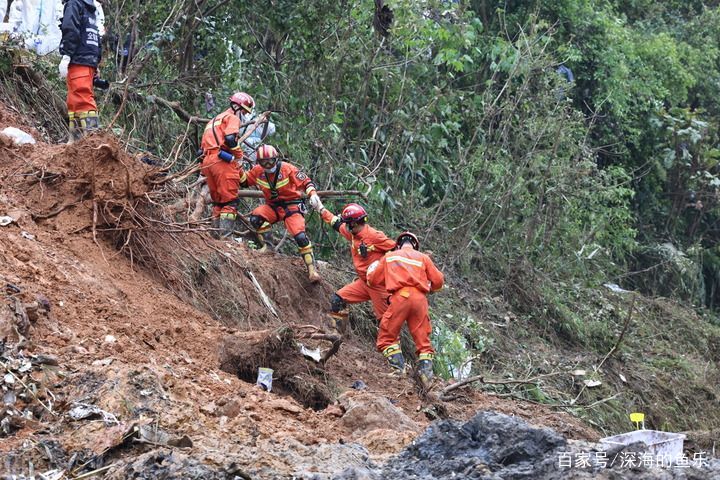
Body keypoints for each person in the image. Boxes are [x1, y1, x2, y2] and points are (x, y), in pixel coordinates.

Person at [367, 231, 444, 387]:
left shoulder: (390, 257)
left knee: (387, 336)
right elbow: (439, 282)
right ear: (415, 245)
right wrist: (430, 288)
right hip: (420, 300)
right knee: (423, 340)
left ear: (399, 244)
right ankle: (425, 375)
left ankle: (398, 369)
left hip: (400, 297)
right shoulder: (423, 258)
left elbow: (373, 280)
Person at [239, 144, 324, 283]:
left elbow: (306, 182)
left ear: (276, 159)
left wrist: (313, 194)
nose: (267, 164)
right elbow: (244, 182)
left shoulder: (287, 169)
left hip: (292, 206)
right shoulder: (258, 171)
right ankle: (269, 248)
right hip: (272, 207)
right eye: (263, 162)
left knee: (300, 237)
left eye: (270, 161)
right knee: (256, 217)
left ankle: (312, 270)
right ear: (258, 162)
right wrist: (237, 165)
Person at [318, 203, 395, 334]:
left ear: (353, 224)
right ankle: (336, 333)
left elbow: (397, 250)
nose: (346, 226)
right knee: (337, 300)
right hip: (363, 283)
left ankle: (392, 352)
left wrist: (382, 263)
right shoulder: (353, 234)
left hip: (379, 286)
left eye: (348, 223)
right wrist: (320, 208)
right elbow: (336, 223)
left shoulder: (375, 236)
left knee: (386, 324)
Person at [199, 92, 252, 237]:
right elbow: (230, 139)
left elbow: (200, 149)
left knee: (218, 202)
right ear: (236, 107)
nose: (243, 115)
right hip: (222, 161)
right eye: (243, 111)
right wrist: (239, 155)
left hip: (207, 163)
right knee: (230, 201)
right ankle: (226, 239)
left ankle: (215, 238)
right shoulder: (232, 117)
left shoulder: (214, 120)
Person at [58, 0, 101, 140]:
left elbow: (71, 29)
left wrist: (66, 55)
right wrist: (96, 62)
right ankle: (76, 142)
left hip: (79, 57)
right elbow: (95, 34)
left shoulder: (74, 3)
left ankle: (94, 141)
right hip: (88, 59)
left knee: (82, 99)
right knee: (75, 101)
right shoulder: (90, 7)